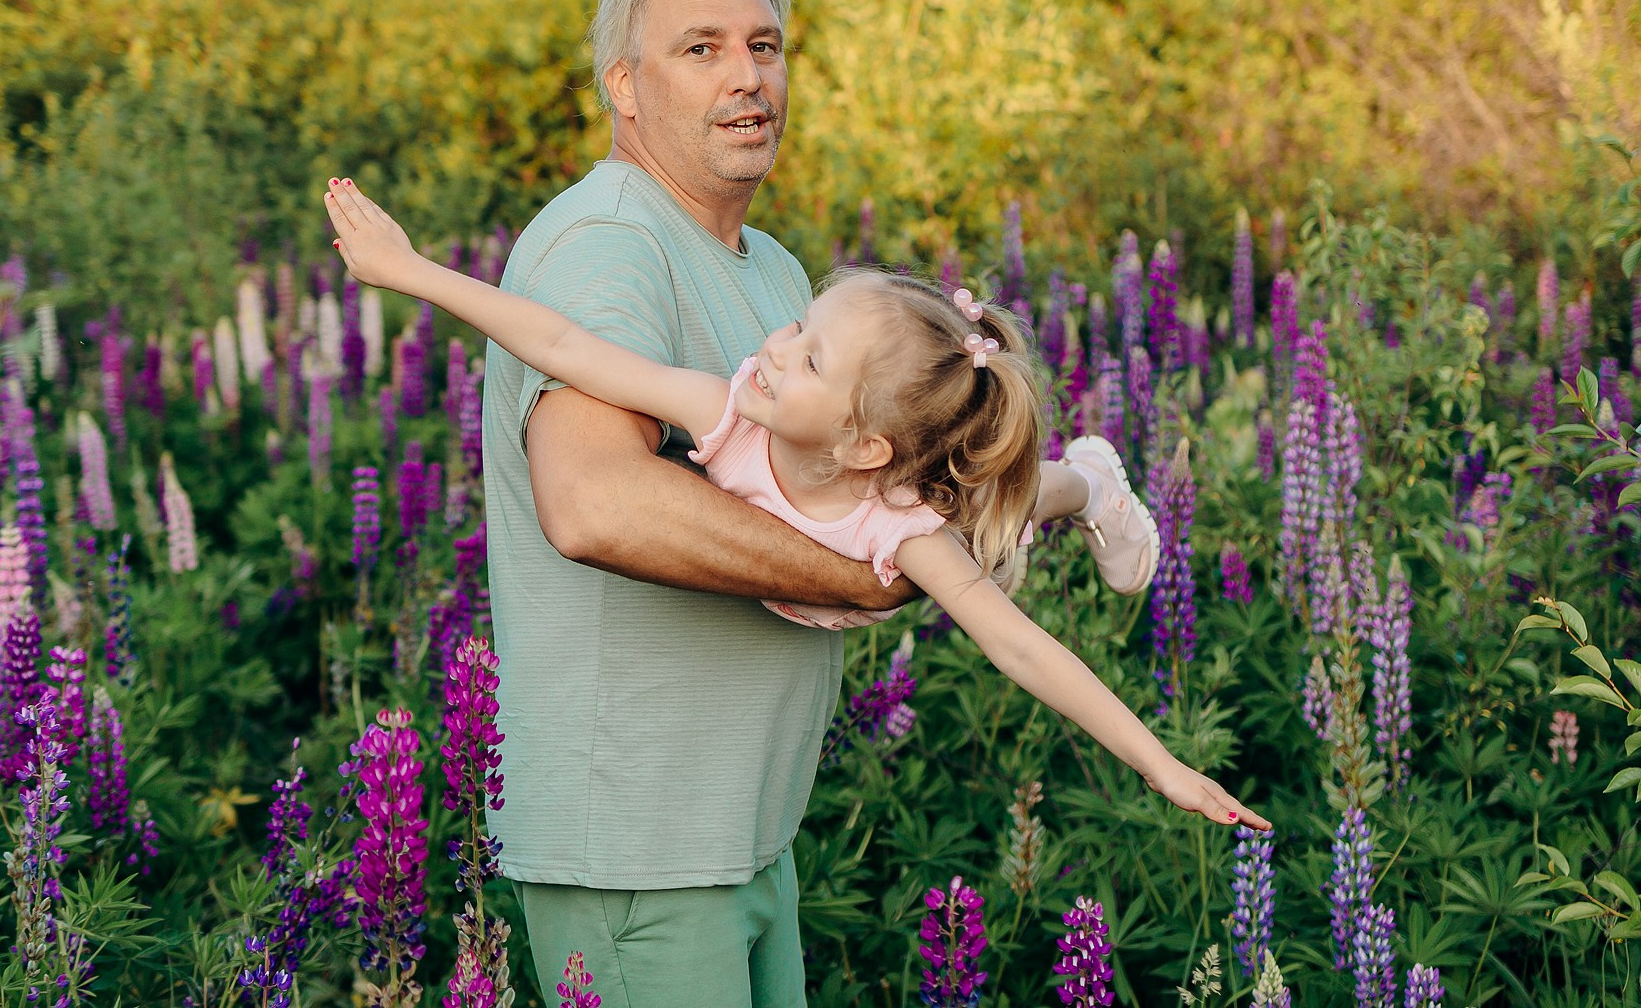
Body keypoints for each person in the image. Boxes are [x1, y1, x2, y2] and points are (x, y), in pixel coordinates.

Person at [339, 0, 1170, 1005]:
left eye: (765, 46)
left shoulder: (773, 270)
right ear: (625, 88)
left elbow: (871, 480)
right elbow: (593, 503)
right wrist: (867, 577)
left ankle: (1083, 482)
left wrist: (966, 523)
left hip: (744, 837)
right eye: (701, 49)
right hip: (639, 848)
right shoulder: (609, 245)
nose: (747, 77)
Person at [321, 175, 1272, 934]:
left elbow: (1021, 649)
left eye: (810, 358)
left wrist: (1162, 766)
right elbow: (564, 341)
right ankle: (1080, 478)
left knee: (1003, 510)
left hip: (913, 499)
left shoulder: (899, 529)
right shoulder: (724, 408)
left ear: (862, 444)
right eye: (799, 326)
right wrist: (409, 271)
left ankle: (1089, 483)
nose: (773, 347)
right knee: (989, 502)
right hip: (872, 477)